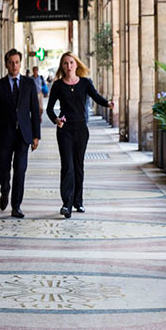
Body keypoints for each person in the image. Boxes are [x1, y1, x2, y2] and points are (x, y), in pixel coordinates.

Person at [46, 52, 114, 218]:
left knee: (78, 166)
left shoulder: (85, 83)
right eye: (65, 64)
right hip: (65, 130)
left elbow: (96, 97)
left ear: (76, 65)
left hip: (81, 130)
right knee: (67, 166)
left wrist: (108, 103)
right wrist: (56, 120)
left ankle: (78, 201)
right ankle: (66, 204)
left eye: (71, 63)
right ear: (62, 67)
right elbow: (49, 109)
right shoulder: (58, 86)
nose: (68, 66)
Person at [0, 49, 41, 218]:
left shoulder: (29, 84)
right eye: (11, 62)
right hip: (4, 134)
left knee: (20, 169)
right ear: (6, 64)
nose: (14, 65)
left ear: (20, 63)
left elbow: (34, 110)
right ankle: (5, 190)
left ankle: (16, 206)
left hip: (23, 135)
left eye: (17, 62)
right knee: (3, 168)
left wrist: (36, 135)